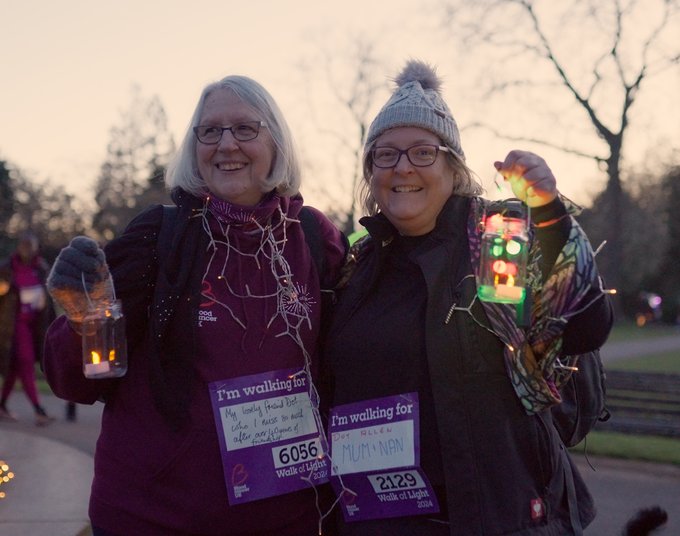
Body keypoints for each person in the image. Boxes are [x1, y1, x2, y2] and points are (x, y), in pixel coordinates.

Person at [44, 75, 347, 535]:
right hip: (154, 516)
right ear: (194, 146)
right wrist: (86, 321)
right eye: (210, 131)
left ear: (276, 141)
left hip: (285, 518)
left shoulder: (313, 238)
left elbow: (360, 346)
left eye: (246, 128)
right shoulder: (158, 238)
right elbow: (76, 382)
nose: (227, 144)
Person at [322, 60, 613, 535]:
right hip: (380, 522)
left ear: (453, 166)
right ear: (370, 171)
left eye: (422, 152)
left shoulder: (497, 244)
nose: (402, 168)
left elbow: (584, 325)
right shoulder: (358, 268)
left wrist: (549, 212)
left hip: (495, 520)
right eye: (386, 155)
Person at [0, 231, 54, 426]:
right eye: (24, 246)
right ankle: (39, 410)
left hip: (35, 326)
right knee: (26, 361)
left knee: (15, 369)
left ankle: (2, 405)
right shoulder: (7, 268)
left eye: (31, 246)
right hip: (13, 326)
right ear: (18, 247)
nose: (27, 250)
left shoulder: (41, 268)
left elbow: (49, 292)